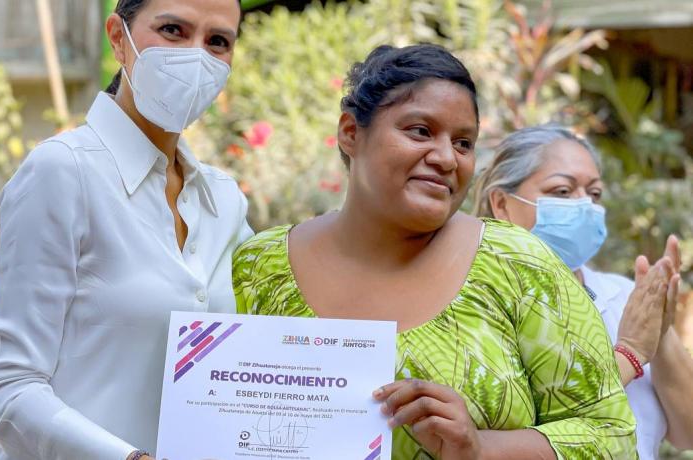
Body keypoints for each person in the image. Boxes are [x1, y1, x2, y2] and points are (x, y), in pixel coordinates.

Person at [233, 44, 636, 459]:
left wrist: (482, 449)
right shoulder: (260, 266)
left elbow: (612, 436)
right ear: (351, 132)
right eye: (420, 131)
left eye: (463, 143)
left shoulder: (517, 264)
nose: (446, 158)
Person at [0, 1, 250, 459]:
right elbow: (9, 389)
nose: (197, 55)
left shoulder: (224, 200)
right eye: (173, 30)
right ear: (118, 38)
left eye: (217, 41)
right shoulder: (62, 173)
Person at [472, 124, 693, 459]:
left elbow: (688, 433)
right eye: (562, 192)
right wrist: (631, 352)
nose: (585, 205)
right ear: (502, 204)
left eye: (594, 193)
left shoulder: (622, 296)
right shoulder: (476, 301)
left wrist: (657, 333)